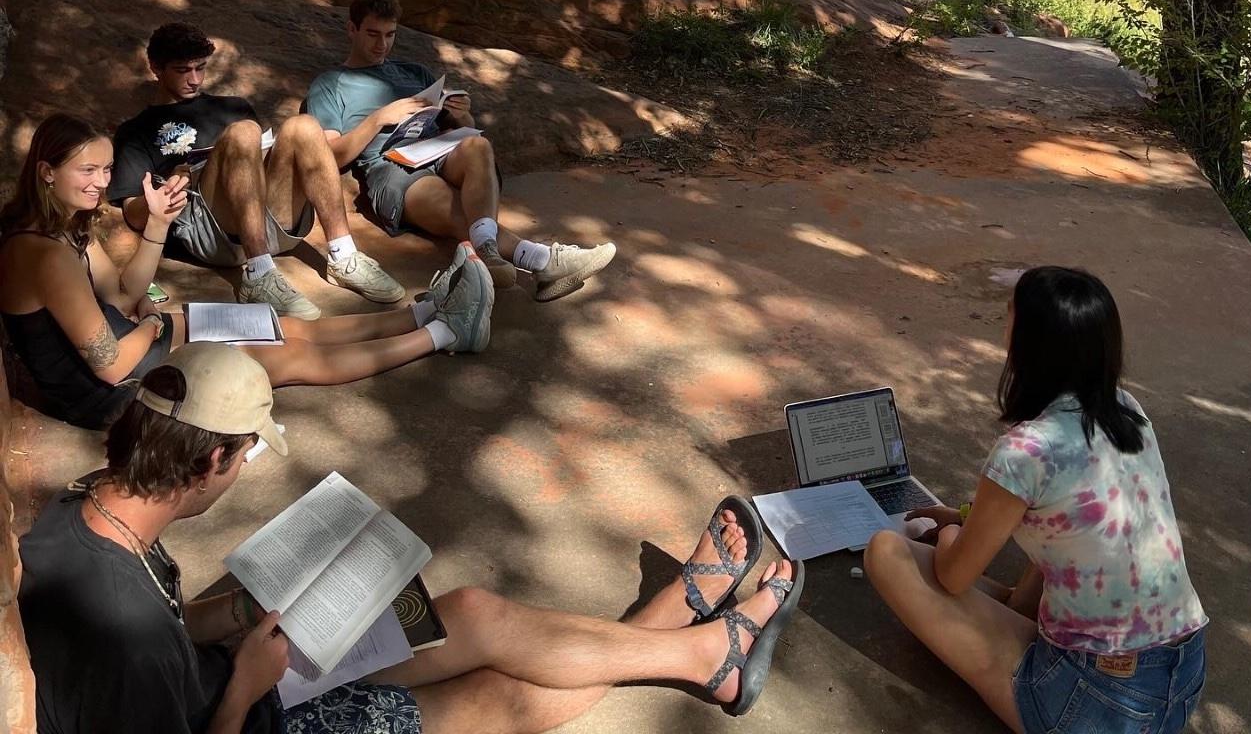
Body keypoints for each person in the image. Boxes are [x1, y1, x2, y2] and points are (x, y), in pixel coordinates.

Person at [18, 342, 805, 733]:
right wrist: (248, 685)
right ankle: (698, 650)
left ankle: (686, 645)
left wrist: (224, 620)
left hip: (220, 670)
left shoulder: (88, 510)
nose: (244, 470)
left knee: (473, 611)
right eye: (247, 454)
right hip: (247, 712)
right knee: (499, 695)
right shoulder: (129, 647)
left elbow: (159, 623)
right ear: (213, 456)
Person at [863, 267, 1207, 734]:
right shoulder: (1127, 408)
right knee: (1068, 540)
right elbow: (1070, 515)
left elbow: (954, 576)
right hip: (1181, 678)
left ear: (1028, 343)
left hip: (1096, 702)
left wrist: (950, 532)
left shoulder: (1027, 450)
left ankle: (1022, 636)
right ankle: (1015, 607)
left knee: (888, 552)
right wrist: (966, 514)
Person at [0, 114, 495, 430]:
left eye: (106, 171)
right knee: (291, 357)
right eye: (87, 171)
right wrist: (156, 322)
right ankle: (447, 331)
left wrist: (157, 225)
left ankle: (422, 311)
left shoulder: (67, 231)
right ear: (47, 172)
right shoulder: (43, 253)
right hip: (113, 392)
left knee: (289, 327)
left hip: (134, 341)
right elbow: (108, 365)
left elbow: (126, 292)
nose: (101, 183)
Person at [306, 0, 616, 300]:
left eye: (390, 35)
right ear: (352, 29)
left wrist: (462, 115)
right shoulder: (330, 85)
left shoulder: (413, 73)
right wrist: (378, 119)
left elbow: (463, 130)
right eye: (373, 34)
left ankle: (490, 252)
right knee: (451, 202)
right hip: (391, 168)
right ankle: (540, 259)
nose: (381, 44)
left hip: (436, 149)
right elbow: (329, 156)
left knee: (477, 145)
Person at [109, 22, 405, 320]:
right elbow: (133, 213)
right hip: (209, 232)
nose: (195, 80)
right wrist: (168, 191)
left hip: (267, 221)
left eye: (200, 68)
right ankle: (259, 274)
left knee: (303, 126)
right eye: (183, 70)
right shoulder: (136, 131)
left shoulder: (233, 107)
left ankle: (344, 257)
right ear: (156, 68)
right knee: (243, 132)